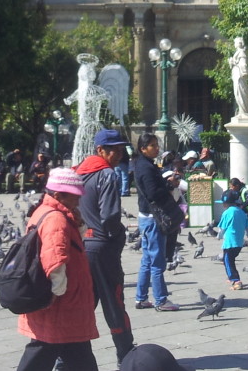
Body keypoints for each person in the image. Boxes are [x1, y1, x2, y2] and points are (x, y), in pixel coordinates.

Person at [14, 167, 99, 371]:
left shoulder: (46, 212)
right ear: (59, 195)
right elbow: (55, 261)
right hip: (62, 303)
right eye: (75, 196)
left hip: (64, 305)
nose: (79, 201)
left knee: (68, 351)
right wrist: (57, 293)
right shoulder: (56, 219)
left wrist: (77, 221)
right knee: (46, 349)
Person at [74, 129, 135, 365]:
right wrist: (118, 234)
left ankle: (67, 356)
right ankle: (126, 354)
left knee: (85, 304)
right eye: (114, 150)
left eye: (121, 150)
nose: (119, 154)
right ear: (100, 150)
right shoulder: (107, 175)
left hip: (82, 246)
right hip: (103, 246)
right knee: (114, 302)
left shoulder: (79, 173)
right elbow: (110, 216)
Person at [132, 133, 183, 312]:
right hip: (153, 218)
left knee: (147, 259)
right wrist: (169, 186)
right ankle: (161, 300)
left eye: (156, 144)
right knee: (156, 261)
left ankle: (141, 298)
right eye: (152, 145)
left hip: (145, 216)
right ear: (142, 148)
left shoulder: (143, 164)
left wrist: (165, 182)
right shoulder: (145, 167)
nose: (156, 148)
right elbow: (153, 193)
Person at [219, 188, 248, 290]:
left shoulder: (226, 213)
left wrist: (218, 236)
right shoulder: (242, 213)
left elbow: (222, 229)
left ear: (226, 203)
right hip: (239, 244)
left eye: (223, 203)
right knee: (230, 260)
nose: (223, 205)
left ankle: (236, 280)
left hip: (229, 243)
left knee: (227, 260)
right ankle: (231, 276)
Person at [230, 36, 248, 118]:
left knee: (241, 92)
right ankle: (241, 111)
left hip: (239, 75)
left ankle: (244, 112)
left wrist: (234, 62)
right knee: (238, 93)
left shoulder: (241, 52)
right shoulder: (239, 52)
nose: (234, 44)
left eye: (235, 42)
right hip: (237, 74)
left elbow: (243, 64)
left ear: (238, 43)